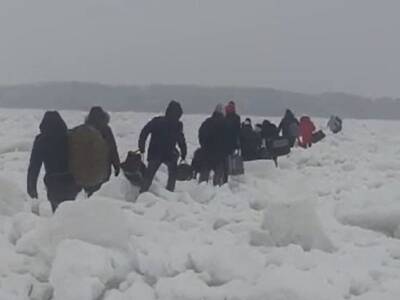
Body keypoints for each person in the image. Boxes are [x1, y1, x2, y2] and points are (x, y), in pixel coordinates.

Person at [27, 111, 81, 212]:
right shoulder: (70, 136)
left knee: (57, 211)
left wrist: (31, 188)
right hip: (71, 181)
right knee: (70, 211)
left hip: (53, 183)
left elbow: (34, 165)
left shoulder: (41, 140)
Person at [139, 100, 187, 192]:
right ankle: (169, 193)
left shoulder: (157, 121)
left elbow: (144, 132)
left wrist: (141, 146)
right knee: (172, 175)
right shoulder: (177, 125)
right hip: (169, 154)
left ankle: (143, 192)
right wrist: (184, 153)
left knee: (149, 176)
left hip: (155, 152)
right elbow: (181, 140)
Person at [84, 106, 120, 196]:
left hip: (88, 167)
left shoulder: (85, 129)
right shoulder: (106, 129)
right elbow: (112, 148)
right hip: (104, 167)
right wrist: (116, 165)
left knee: (90, 191)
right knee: (101, 191)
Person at [198, 104, 229, 186]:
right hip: (220, 154)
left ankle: (201, 191)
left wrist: (204, 146)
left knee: (204, 175)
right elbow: (229, 139)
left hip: (207, 153)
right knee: (219, 176)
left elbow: (201, 135)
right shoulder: (226, 124)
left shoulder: (207, 122)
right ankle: (217, 192)